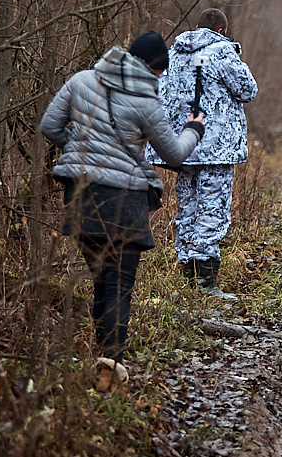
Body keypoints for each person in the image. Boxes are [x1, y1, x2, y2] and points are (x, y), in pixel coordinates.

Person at [41, 31, 204, 392]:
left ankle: (101, 360)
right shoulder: (145, 100)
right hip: (126, 201)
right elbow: (175, 154)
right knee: (119, 283)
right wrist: (195, 128)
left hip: (81, 196)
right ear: (152, 66)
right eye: (160, 71)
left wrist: (79, 152)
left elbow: (49, 126)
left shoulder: (81, 80)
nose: (160, 78)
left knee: (101, 277)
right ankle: (110, 366)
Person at [148, 8, 258, 299]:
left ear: (195, 26)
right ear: (221, 30)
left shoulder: (173, 53)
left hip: (183, 145)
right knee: (212, 209)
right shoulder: (222, 52)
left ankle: (186, 275)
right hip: (216, 148)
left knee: (188, 208)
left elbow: (160, 94)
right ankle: (206, 282)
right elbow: (248, 90)